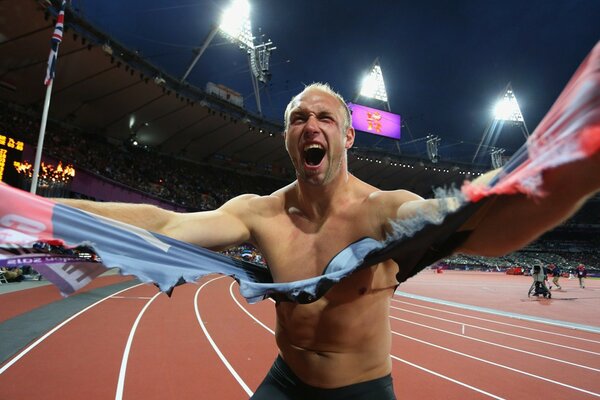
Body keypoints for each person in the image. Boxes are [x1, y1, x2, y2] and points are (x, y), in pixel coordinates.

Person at [52, 83, 600, 399]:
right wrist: (46, 211)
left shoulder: (385, 209)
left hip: (361, 390)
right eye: (298, 118)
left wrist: (582, 165)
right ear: (289, 137)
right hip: (287, 381)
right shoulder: (260, 213)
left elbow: (476, 227)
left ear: (347, 135)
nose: (310, 125)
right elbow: (166, 225)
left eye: (324, 118)